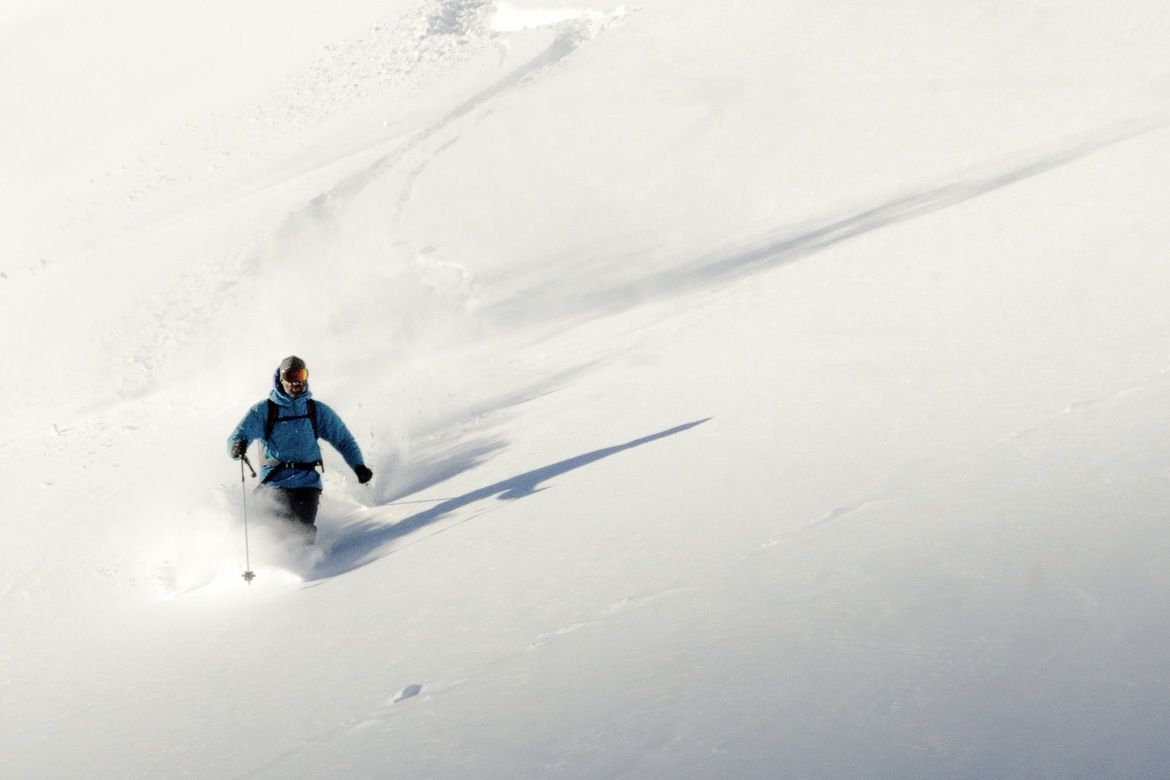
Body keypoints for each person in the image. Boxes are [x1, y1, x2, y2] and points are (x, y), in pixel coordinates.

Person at [227, 356, 373, 543]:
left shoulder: (316, 410)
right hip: (275, 483)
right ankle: (279, 567)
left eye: (301, 375)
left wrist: (358, 466)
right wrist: (237, 447)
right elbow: (238, 436)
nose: (297, 381)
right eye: (291, 376)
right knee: (280, 533)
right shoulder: (264, 411)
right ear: (281, 379)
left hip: (307, 484)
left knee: (302, 532)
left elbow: (343, 439)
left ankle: (309, 565)